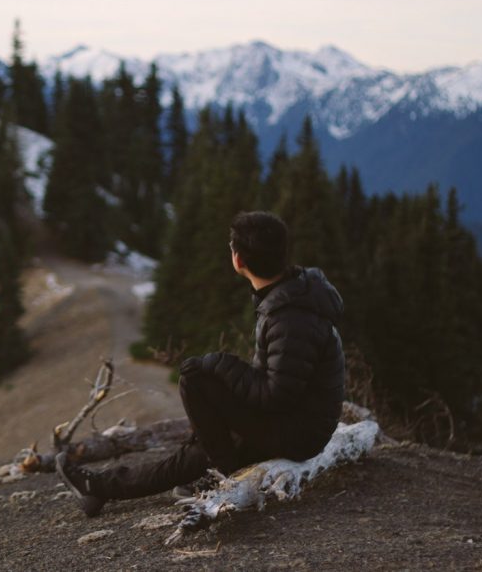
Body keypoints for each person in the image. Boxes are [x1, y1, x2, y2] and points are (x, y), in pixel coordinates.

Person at [56, 211, 345, 517]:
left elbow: (277, 394)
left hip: (298, 432)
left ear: (239, 260)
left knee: (196, 378)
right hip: (296, 420)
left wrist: (220, 363)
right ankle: (100, 487)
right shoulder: (291, 294)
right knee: (201, 443)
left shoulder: (289, 317)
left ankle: (221, 471)